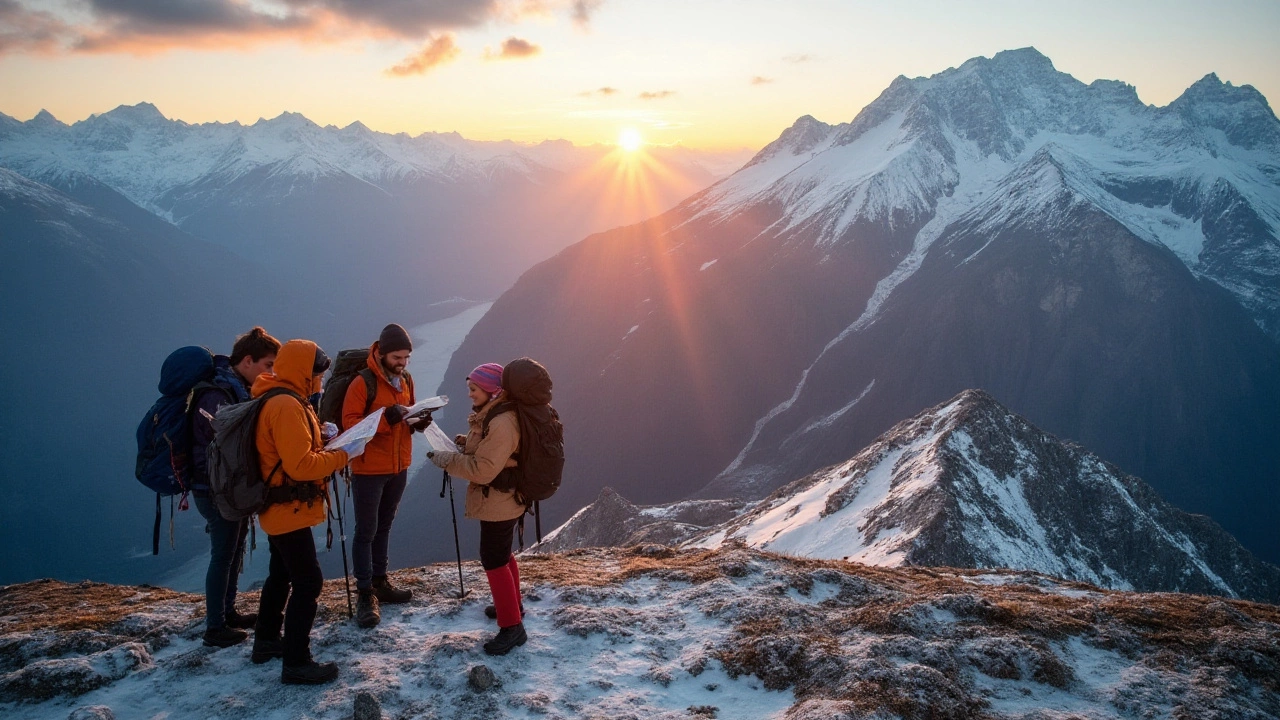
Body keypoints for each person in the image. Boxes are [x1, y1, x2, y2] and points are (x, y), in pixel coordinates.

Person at [250, 340, 356, 685]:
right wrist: (344, 454)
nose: (321, 383)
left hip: (281, 508)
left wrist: (325, 441)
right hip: (287, 508)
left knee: (280, 574)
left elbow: (293, 453)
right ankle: (297, 661)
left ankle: (266, 640)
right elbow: (300, 466)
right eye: (318, 376)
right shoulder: (285, 405)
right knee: (309, 581)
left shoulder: (283, 398)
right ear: (304, 373)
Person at [190, 327, 281, 648]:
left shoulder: (235, 389)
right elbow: (220, 446)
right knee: (223, 555)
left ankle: (228, 613)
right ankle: (215, 627)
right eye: (268, 364)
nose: (272, 371)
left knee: (234, 549)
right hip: (214, 489)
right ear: (247, 361)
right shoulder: (218, 395)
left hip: (226, 487)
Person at [428, 362, 527, 656]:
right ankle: (513, 606)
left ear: (491, 390)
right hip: (502, 498)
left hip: (499, 498)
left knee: (493, 559)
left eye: (474, 389)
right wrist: (464, 442)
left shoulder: (502, 421)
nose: (469, 394)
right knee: (502, 553)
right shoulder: (496, 415)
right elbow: (491, 452)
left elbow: (483, 470)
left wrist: (446, 459)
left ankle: (512, 628)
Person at [342, 323, 431, 628]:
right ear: (380, 353)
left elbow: (404, 417)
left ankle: (380, 582)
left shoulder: (405, 380)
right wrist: (386, 419)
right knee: (366, 531)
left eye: (406, 357)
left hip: (398, 467)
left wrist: (416, 421)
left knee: (384, 527)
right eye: (397, 357)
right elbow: (350, 427)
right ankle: (365, 594)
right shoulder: (362, 383)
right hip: (368, 469)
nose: (403, 363)